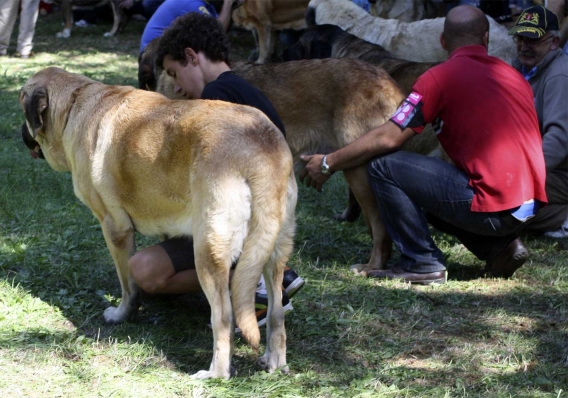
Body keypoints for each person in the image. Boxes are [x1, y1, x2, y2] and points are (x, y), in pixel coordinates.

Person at [300, 5, 547, 284]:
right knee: (427, 186)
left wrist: (328, 162)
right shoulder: (512, 74)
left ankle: (422, 263)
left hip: (497, 207)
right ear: (487, 39)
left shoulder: (439, 77)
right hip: (531, 205)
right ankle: (501, 248)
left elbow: (388, 137)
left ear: (442, 41)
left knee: (383, 165)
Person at [130, 12, 304, 326]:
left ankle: (256, 285)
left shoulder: (215, 103)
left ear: (191, 57)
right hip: (267, 220)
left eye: (174, 73)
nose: (178, 88)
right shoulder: (244, 91)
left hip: (240, 227)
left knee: (145, 271)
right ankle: (273, 274)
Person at [509, 5, 568, 238]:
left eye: (532, 40)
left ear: (554, 42)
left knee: (503, 206)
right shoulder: (521, 68)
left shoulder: (559, 76)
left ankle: (562, 216)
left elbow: (558, 139)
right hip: (540, 167)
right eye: (520, 38)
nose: (524, 46)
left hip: (559, 172)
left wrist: (520, 174)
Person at [139, 0, 242, 53]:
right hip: (151, 55)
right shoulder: (191, 3)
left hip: (160, 51)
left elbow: (218, 28)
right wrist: (228, 3)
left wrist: (232, 6)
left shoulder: (204, 4)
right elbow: (217, 31)